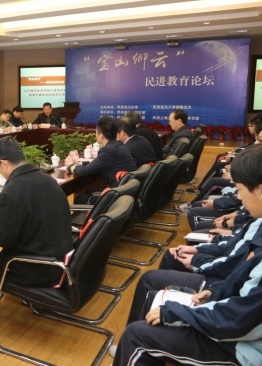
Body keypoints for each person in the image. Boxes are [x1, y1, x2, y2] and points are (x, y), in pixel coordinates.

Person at [111, 145, 262, 366]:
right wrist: (215, 292)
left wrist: (181, 313)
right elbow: (241, 275)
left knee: (137, 337)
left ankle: (133, 351)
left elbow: (239, 320)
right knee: (152, 297)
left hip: (242, 349)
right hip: (233, 322)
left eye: (240, 189)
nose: (239, 197)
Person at [0, 137, 72, 319]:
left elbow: (1, 239)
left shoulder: (11, 192)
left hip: (37, 268)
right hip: (61, 260)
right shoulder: (49, 180)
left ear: (4, 163)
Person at [65, 117, 137, 193]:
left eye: (96, 133)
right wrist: (79, 163)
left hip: (118, 192)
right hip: (127, 189)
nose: (95, 135)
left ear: (101, 135)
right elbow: (98, 162)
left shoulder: (107, 150)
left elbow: (84, 171)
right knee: (89, 191)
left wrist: (70, 166)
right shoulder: (118, 144)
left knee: (82, 197)